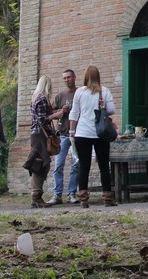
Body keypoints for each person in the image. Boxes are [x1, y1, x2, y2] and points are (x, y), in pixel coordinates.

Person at [68, 65, 117, 208]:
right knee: (104, 166)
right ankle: (107, 198)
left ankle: (83, 199)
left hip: (82, 133)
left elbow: (74, 113)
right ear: (98, 76)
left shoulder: (79, 92)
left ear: (85, 76)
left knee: (84, 166)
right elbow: (111, 110)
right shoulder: (104, 91)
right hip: (100, 133)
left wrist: (72, 132)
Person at [28, 74, 67, 208]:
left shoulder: (35, 98)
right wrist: (55, 115)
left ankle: (36, 196)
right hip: (40, 135)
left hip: (36, 134)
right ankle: (36, 197)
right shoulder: (42, 99)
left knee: (40, 163)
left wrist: (55, 112)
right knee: (40, 164)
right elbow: (43, 119)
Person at [47, 68, 81, 205]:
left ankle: (72, 193)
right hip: (62, 135)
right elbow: (51, 112)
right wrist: (61, 111)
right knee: (58, 165)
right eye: (65, 78)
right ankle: (57, 195)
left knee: (75, 165)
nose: (67, 80)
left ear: (74, 78)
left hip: (78, 135)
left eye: (69, 77)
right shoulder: (60, 96)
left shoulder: (80, 93)